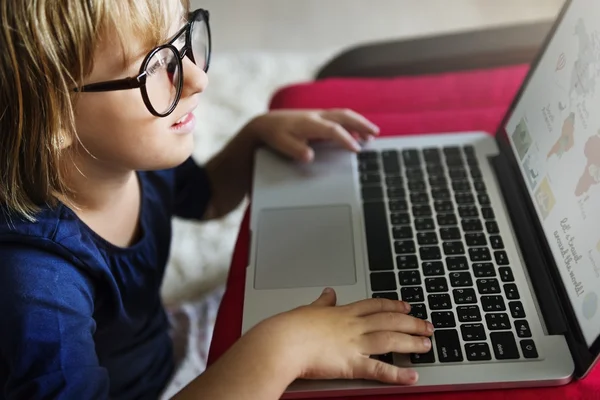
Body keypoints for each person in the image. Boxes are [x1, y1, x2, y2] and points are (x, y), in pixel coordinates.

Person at [0, 0, 434, 398]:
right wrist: (283, 348)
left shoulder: (124, 157)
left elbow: (205, 198)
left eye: (182, 40)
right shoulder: (37, 288)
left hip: (156, 352)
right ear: (52, 116)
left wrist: (253, 139)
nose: (197, 78)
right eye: (156, 65)